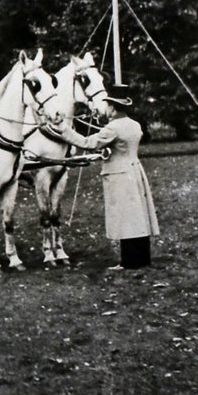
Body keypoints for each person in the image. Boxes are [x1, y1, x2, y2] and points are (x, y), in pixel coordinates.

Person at [49, 83, 159, 270]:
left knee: (125, 216)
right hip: (134, 169)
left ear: (113, 108)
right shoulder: (134, 125)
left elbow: (87, 142)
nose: (106, 109)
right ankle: (142, 258)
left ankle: (129, 261)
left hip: (120, 174)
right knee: (137, 215)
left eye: (108, 105)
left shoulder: (112, 128)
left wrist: (63, 128)